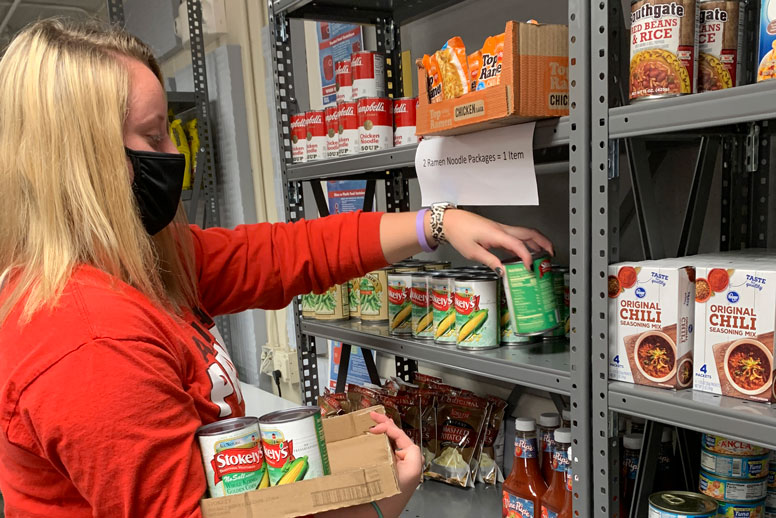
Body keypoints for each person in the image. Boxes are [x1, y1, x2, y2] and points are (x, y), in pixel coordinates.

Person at [0, 19, 553, 518]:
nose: (173, 153)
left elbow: (281, 254)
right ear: (82, 166)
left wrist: (435, 222)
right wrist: (376, 508)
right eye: (152, 137)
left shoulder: (140, 259)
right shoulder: (89, 344)